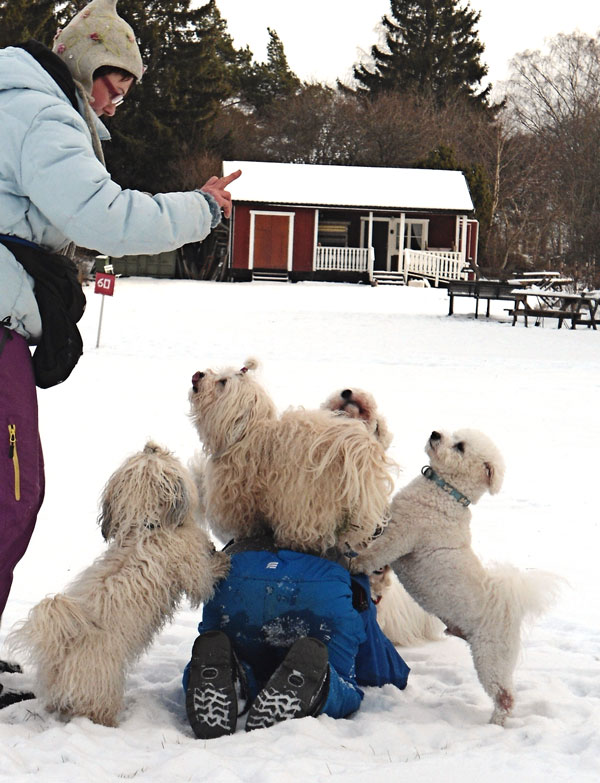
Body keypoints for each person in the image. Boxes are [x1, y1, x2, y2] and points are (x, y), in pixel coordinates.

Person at [0, 0, 240, 707]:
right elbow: (103, 214)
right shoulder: (41, 116)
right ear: (81, 62)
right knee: (12, 492)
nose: (115, 101)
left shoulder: (16, 100)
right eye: (113, 82)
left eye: (126, 90)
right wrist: (201, 208)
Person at [183, 535, 410, 739]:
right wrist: (395, 672)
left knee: (224, 651)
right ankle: (319, 685)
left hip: (234, 573)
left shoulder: (248, 518)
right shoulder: (350, 548)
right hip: (318, 584)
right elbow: (377, 668)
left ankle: (232, 678)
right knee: (343, 683)